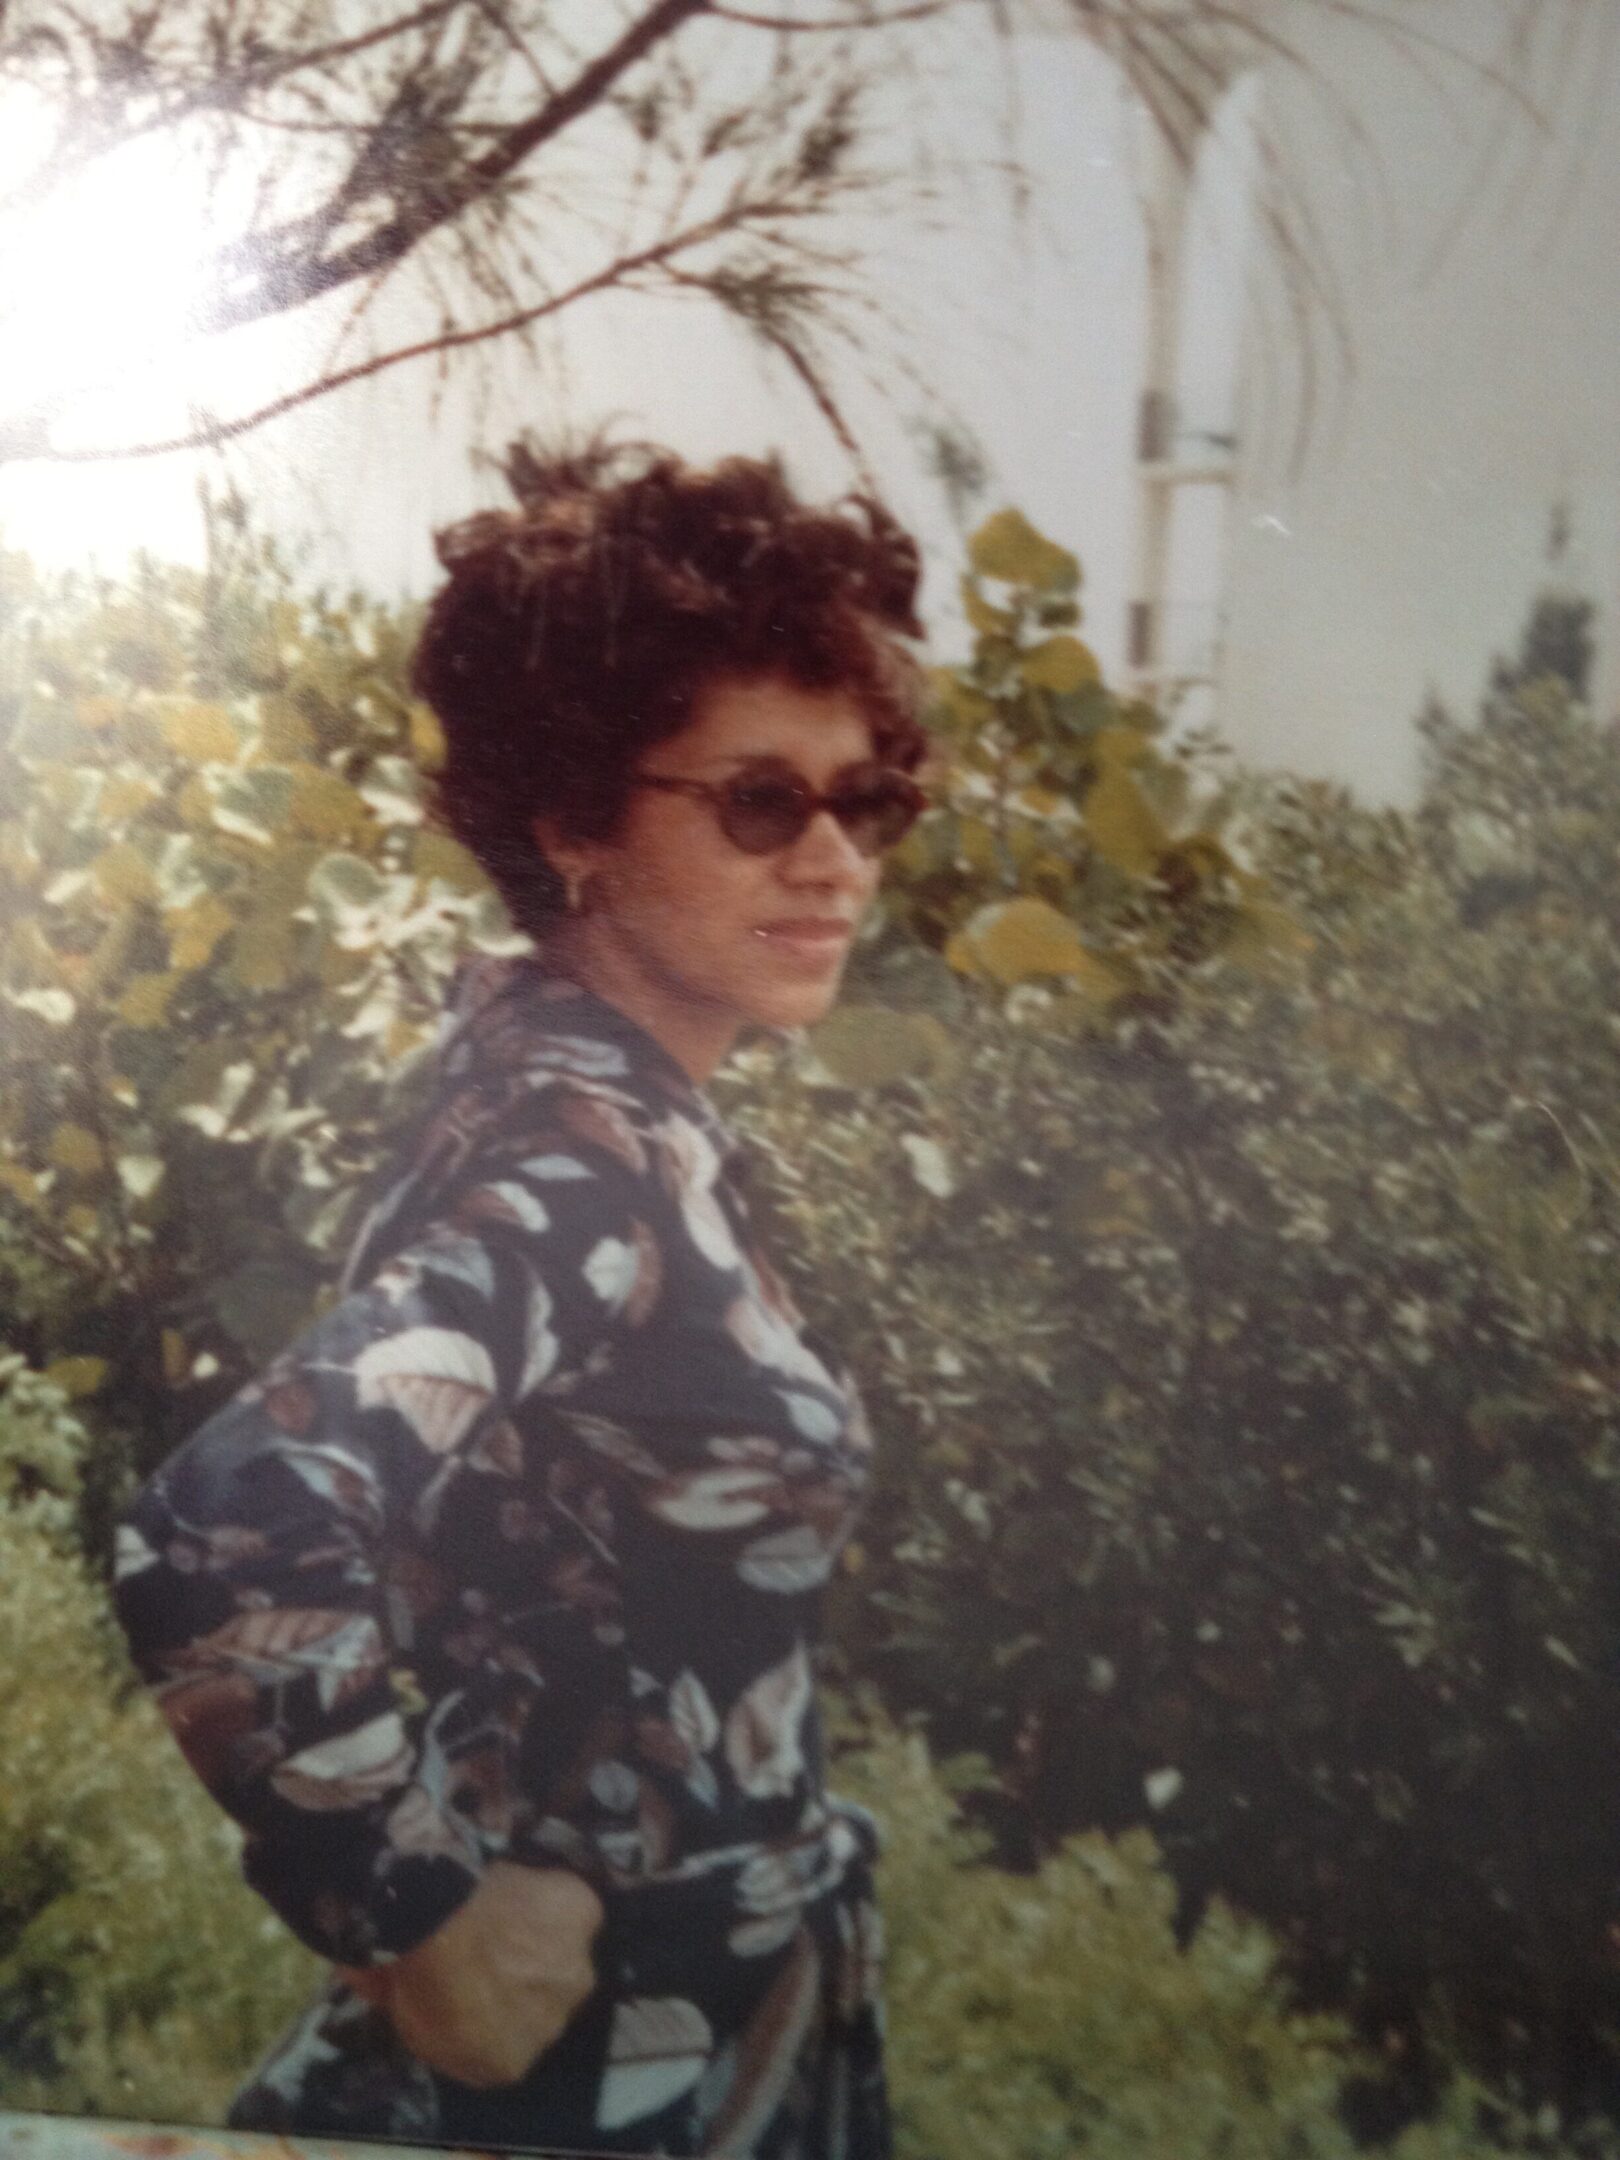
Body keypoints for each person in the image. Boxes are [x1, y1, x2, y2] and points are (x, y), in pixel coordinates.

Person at [113, 441, 931, 2158]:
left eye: (868, 799)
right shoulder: (580, 1169)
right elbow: (236, 1520)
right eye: (761, 801)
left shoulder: (593, 1111)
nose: (839, 862)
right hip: (610, 2062)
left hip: (705, 2027)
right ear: (571, 819)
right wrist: (422, 1926)